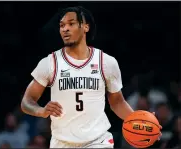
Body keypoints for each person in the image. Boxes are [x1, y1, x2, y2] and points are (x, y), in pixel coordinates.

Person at [21, 6, 160, 148]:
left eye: (71, 24)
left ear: (85, 27)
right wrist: (41, 111)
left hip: (98, 141)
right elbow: (27, 101)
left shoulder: (106, 62)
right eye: (62, 25)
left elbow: (117, 102)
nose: (65, 29)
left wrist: (140, 122)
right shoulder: (50, 63)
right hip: (61, 143)